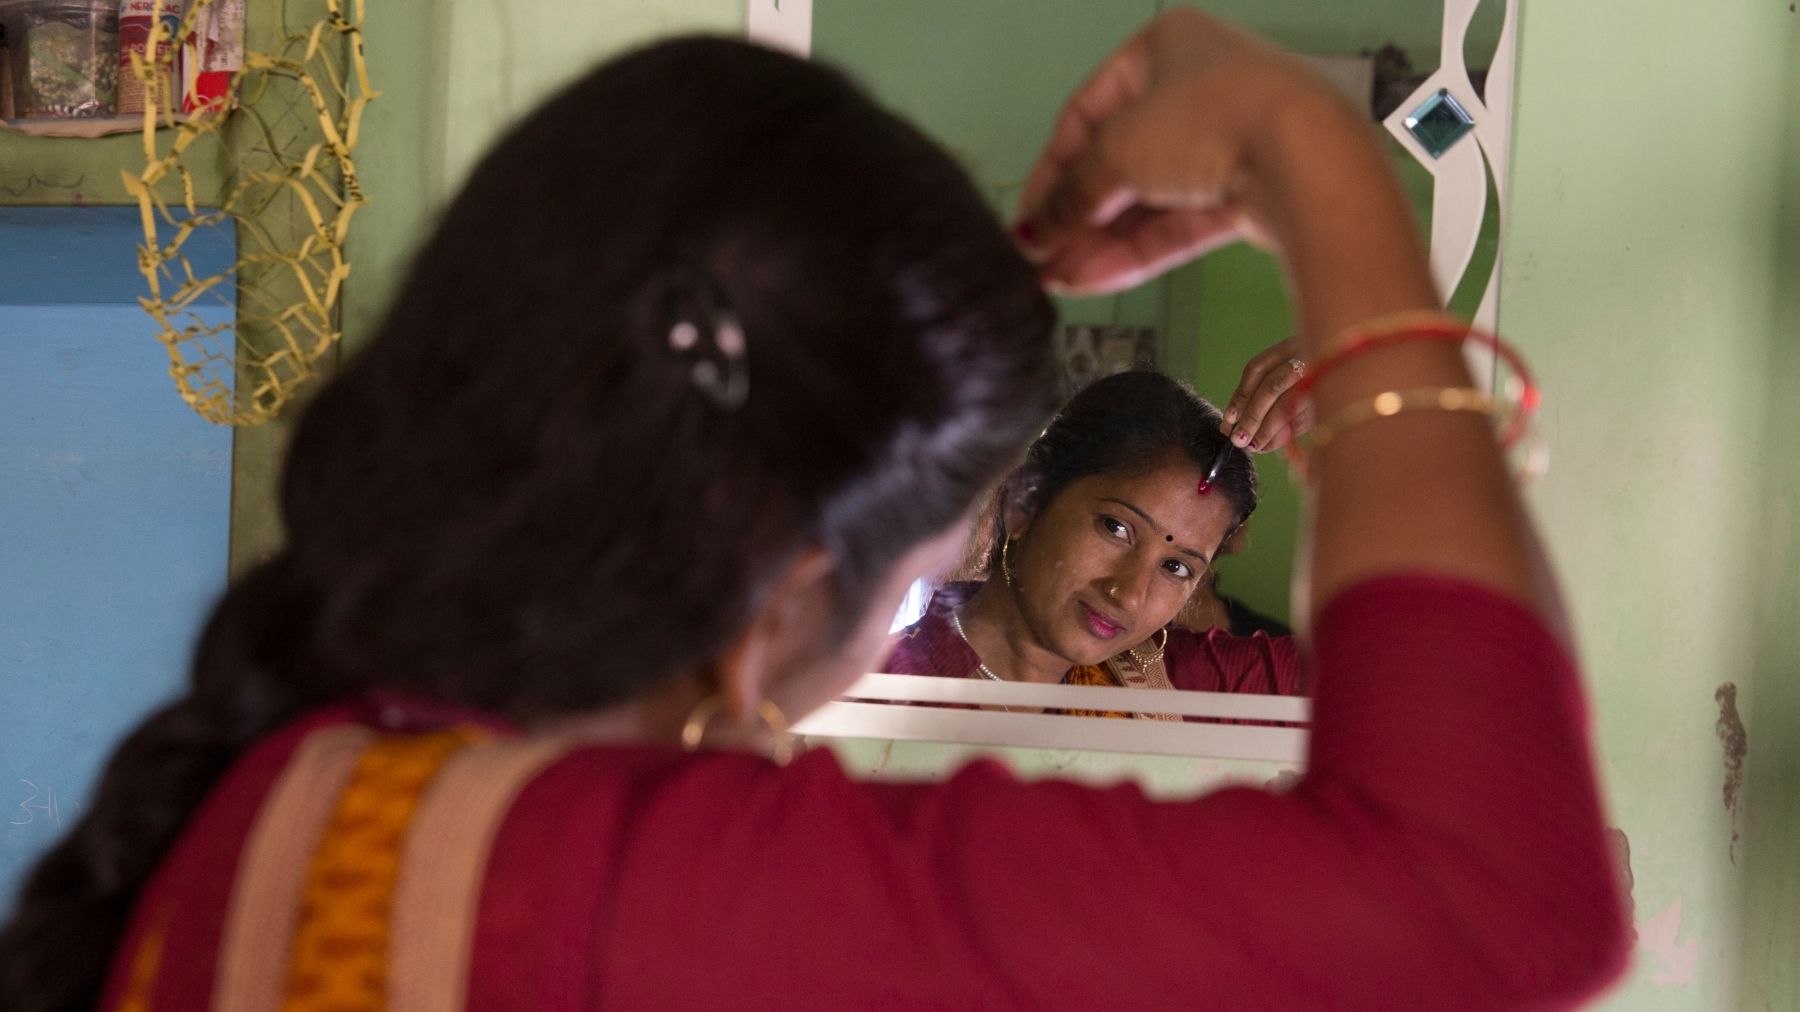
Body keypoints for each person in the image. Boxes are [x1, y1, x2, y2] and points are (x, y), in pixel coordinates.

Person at [0, 12, 1628, 1011]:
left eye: (1185, 559)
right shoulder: (626, 895)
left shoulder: (286, 796)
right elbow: (1496, 890)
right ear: (785, 592)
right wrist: (1319, 160)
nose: (1144, 581)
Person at [883, 370, 1302, 707]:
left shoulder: (1193, 687)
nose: (1129, 594)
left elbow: (1364, 683)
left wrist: (1356, 379)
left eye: (1176, 567)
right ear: (1024, 503)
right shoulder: (873, 694)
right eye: (1116, 528)